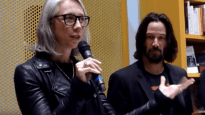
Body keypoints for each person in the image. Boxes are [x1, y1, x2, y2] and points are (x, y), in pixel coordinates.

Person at [14, 0, 115, 115]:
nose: (78, 26)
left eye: (81, 19)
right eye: (69, 18)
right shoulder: (29, 73)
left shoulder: (85, 71)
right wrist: (78, 89)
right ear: (50, 24)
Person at [107, 12, 195, 115]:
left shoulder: (180, 74)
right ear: (142, 40)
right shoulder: (121, 79)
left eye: (161, 38)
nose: (155, 43)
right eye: (150, 37)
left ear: (167, 42)